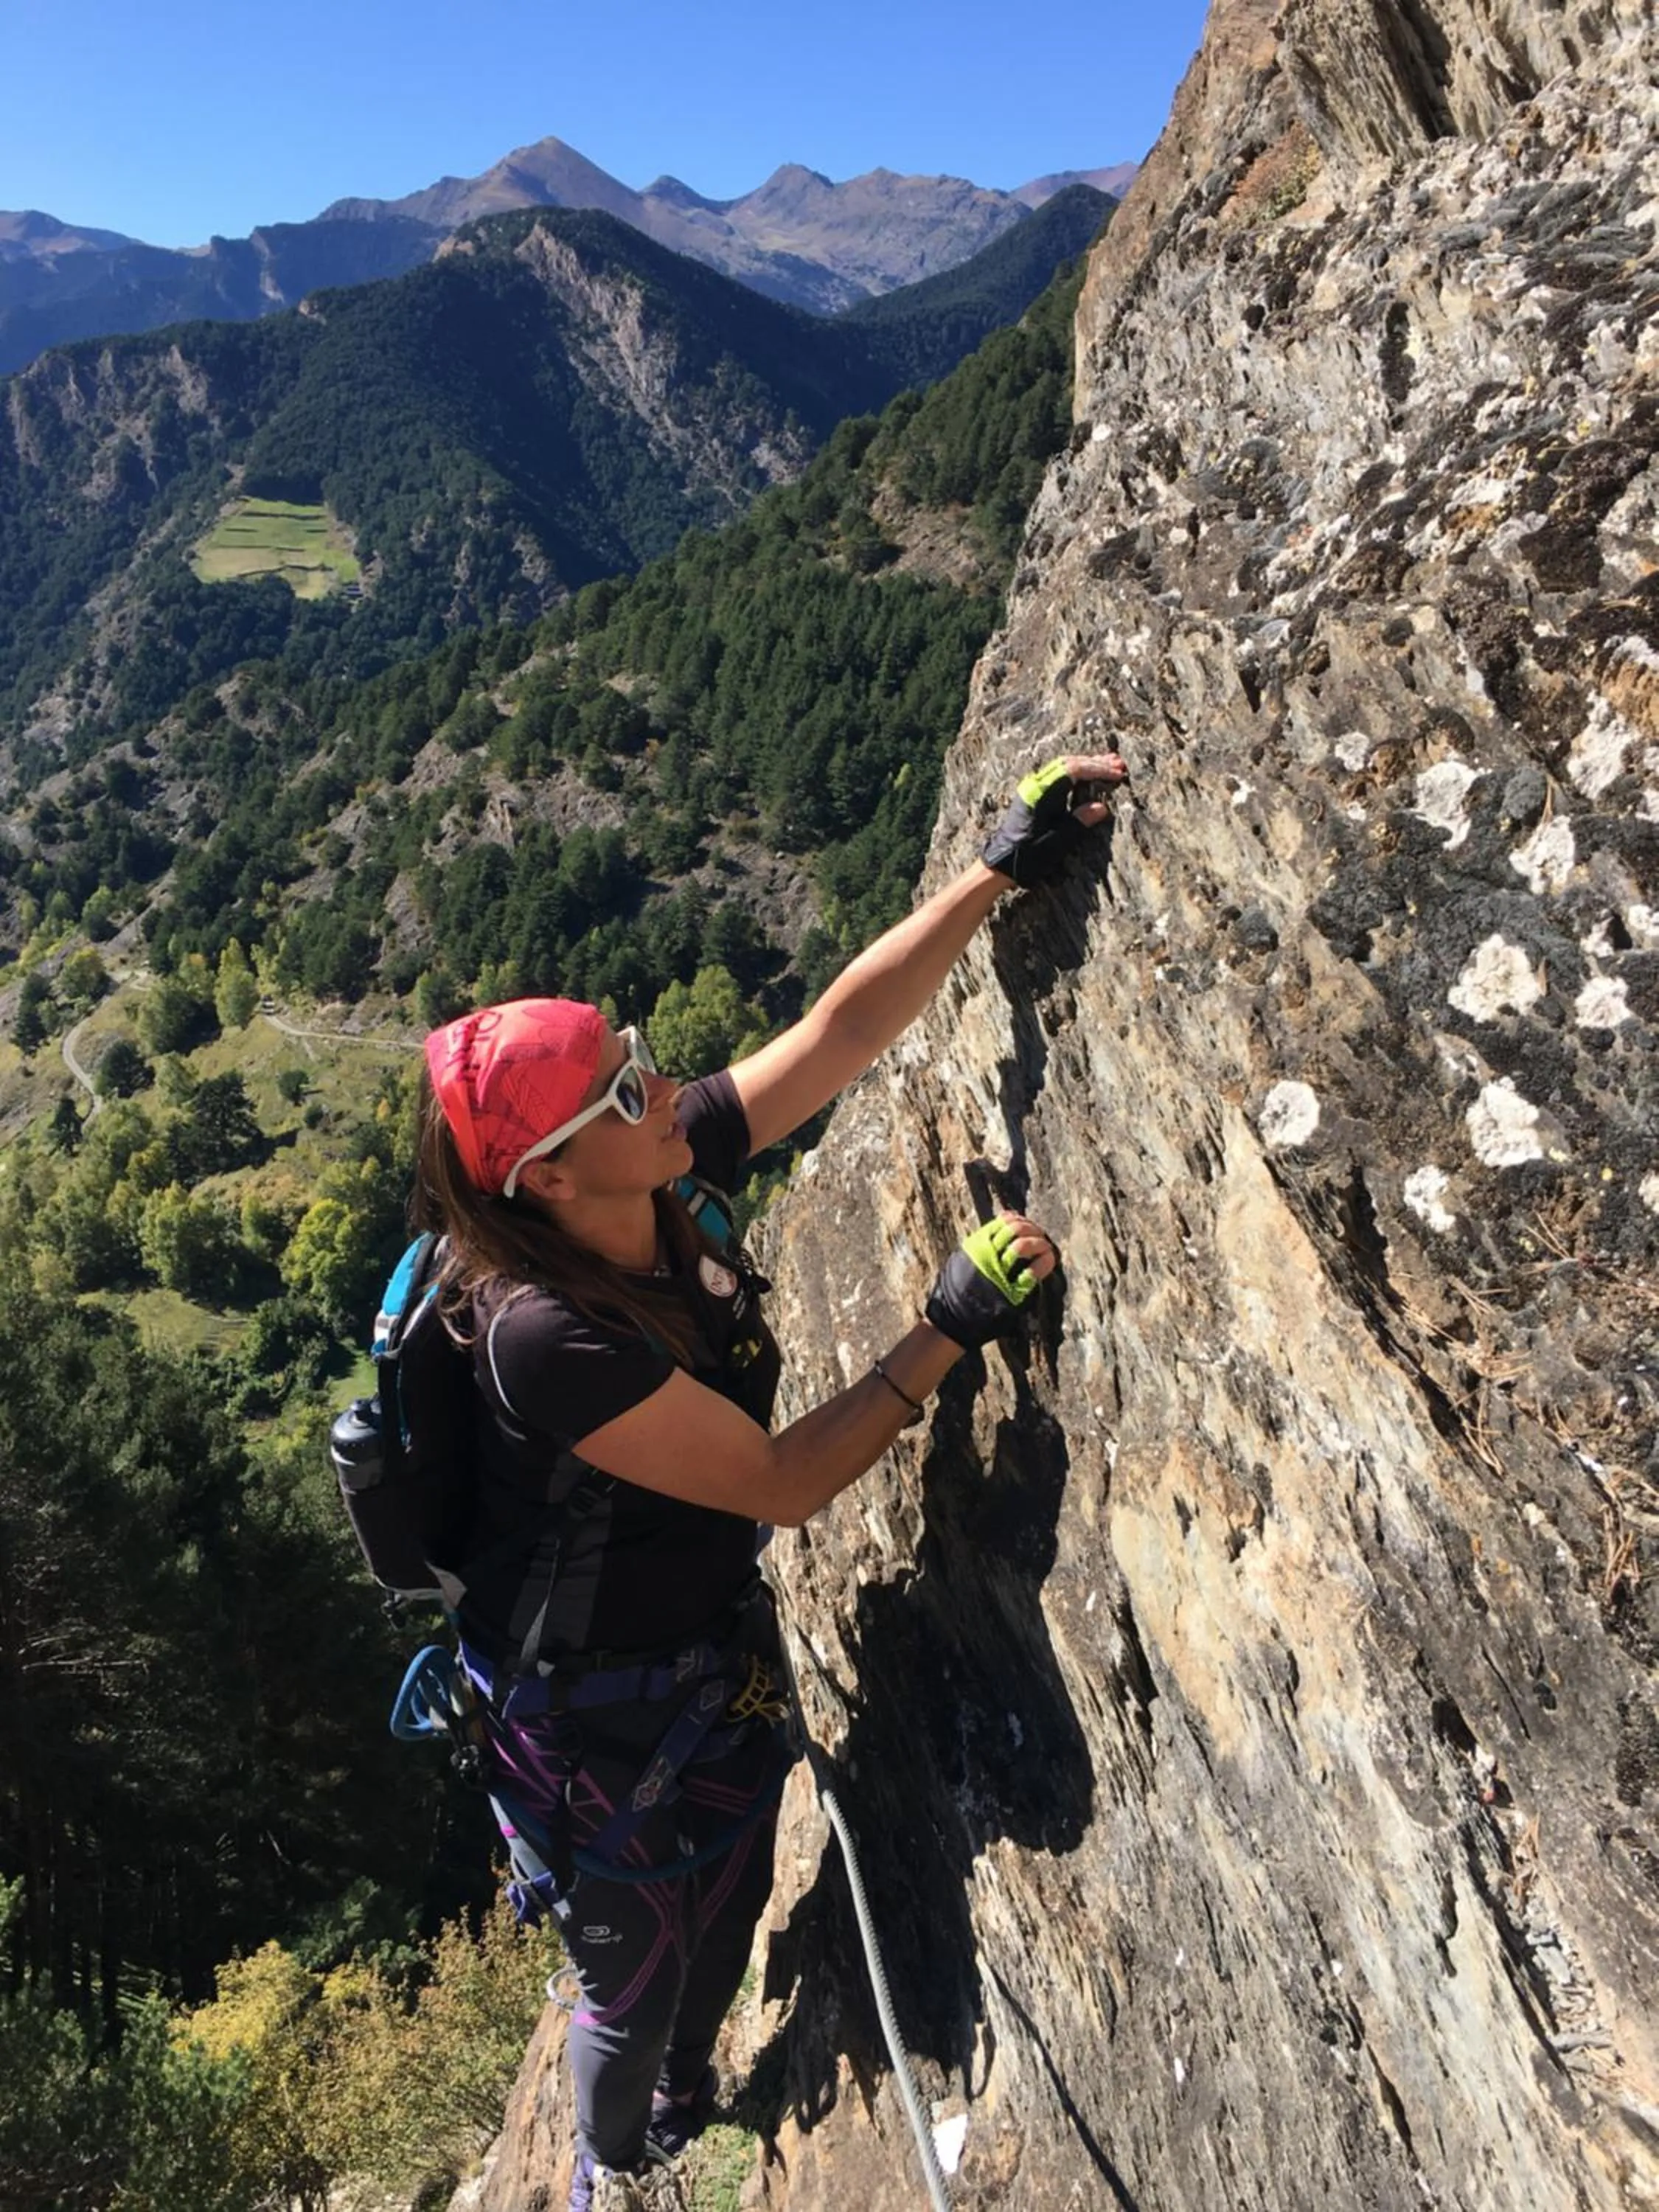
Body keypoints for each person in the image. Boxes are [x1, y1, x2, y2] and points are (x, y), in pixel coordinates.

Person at [412, 753, 1127, 2209]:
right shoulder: (545, 1335)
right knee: (628, 1970)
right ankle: (617, 2172)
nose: (661, 1085)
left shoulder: (646, 1178)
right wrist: (949, 1326)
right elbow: (784, 1482)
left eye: (640, 1056)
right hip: (587, 1717)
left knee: (723, 1908)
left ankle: (684, 2099)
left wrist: (1001, 865)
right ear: (546, 1177)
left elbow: (836, 1034)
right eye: (619, 1091)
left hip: (690, 1667)